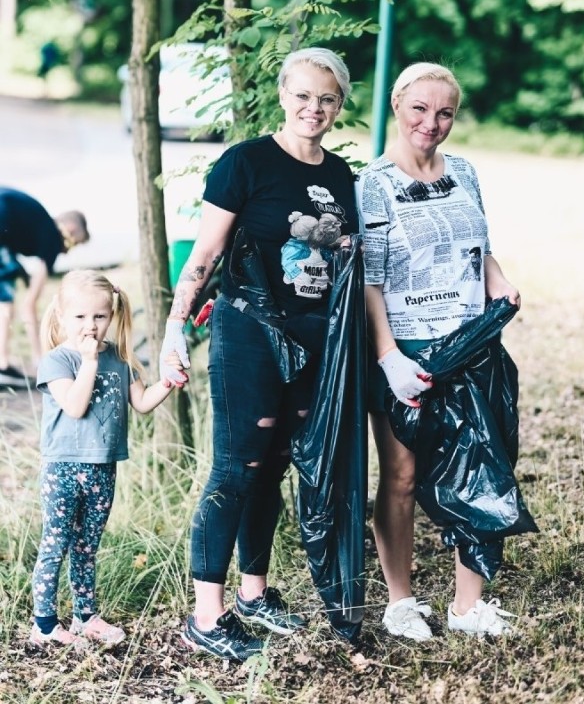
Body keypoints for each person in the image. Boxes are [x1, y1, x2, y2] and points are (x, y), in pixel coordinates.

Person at [159, 47, 359, 661]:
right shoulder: (245, 162)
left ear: (339, 106)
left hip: (313, 336)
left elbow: (348, 261)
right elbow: (206, 255)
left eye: (326, 99)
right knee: (237, 466)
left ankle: (254, 594)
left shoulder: (340, 176)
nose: (313, 108)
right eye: (302, 95)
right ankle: (207, 616)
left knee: (274, 464)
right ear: (282, 95)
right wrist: (174, 327)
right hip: (248, 330)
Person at [355, 62, 522, 640]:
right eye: (420, 109)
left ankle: (466, 605)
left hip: (471, 343)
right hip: (410, 349)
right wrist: (389, 357)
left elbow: (481, 248)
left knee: (479, 461)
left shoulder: (466, 172)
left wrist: (498, 281)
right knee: (400, 475)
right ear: (398, 106)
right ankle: (400, 601)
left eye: (444, 112)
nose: (432, 122)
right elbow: (370, 279)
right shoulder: (373, 182)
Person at [30, 269, 186, 648]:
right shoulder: (58, 361)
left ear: (112, 315)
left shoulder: (120, 359)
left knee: (87, 545)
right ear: (63, 316)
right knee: (56, 542)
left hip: (103, 467)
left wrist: (167, 382)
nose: (91, 326)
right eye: (80, 317)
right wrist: (88, 362)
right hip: (63, 467)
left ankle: (86, 616)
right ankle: (45, 624)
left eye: (99, 316)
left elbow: (143, 403)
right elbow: (75, 405)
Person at [0, 186, 89, 381]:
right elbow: (29, 304)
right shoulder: (52, 240)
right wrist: (41, 359)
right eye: (75, 243)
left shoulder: (38, 224)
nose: (67, 251)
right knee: (5, 297)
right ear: (71, 231)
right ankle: (3, 364)